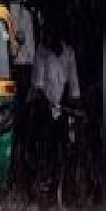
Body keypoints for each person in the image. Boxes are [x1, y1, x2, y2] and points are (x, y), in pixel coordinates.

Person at [28, 15, 82, 197]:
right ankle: (39, 178)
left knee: (67, 145)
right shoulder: (41, 53)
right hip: (42, 108)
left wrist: (72, 106)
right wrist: (51, 107)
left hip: (61, 110)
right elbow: (38, 86)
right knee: (43, 143)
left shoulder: (69, 53)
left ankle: (64, 183)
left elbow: (74, 87)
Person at [7, 0, 36, 189]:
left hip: (23, 71)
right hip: (8, 70)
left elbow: (30, 51)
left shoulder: (27, 17)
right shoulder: (4, 14)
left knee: (22, 126)